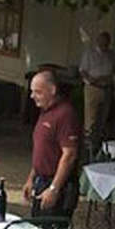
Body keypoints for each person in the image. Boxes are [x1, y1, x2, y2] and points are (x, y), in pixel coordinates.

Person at [23, 67, 81, 216]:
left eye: (38, 92)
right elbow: (43, 151)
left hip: (57, 184)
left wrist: (54, 189)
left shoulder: (65, 114)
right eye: (32, 91)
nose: (32, 96)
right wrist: (31, 179)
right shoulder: (46, 112)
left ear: (52, 90)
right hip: (41, 180)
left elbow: (69, 155)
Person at [79, 31, 115, 141]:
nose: (104, 44)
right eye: (102, 41)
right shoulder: (89, 53)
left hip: (107, 88)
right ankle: (88, 142)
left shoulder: (112, 55)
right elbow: (82, 70)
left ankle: (98, 141)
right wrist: (91, 80)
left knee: (103, 117)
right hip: (93, 88)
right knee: (90, 118)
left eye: (107, 42)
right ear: (98, 41)